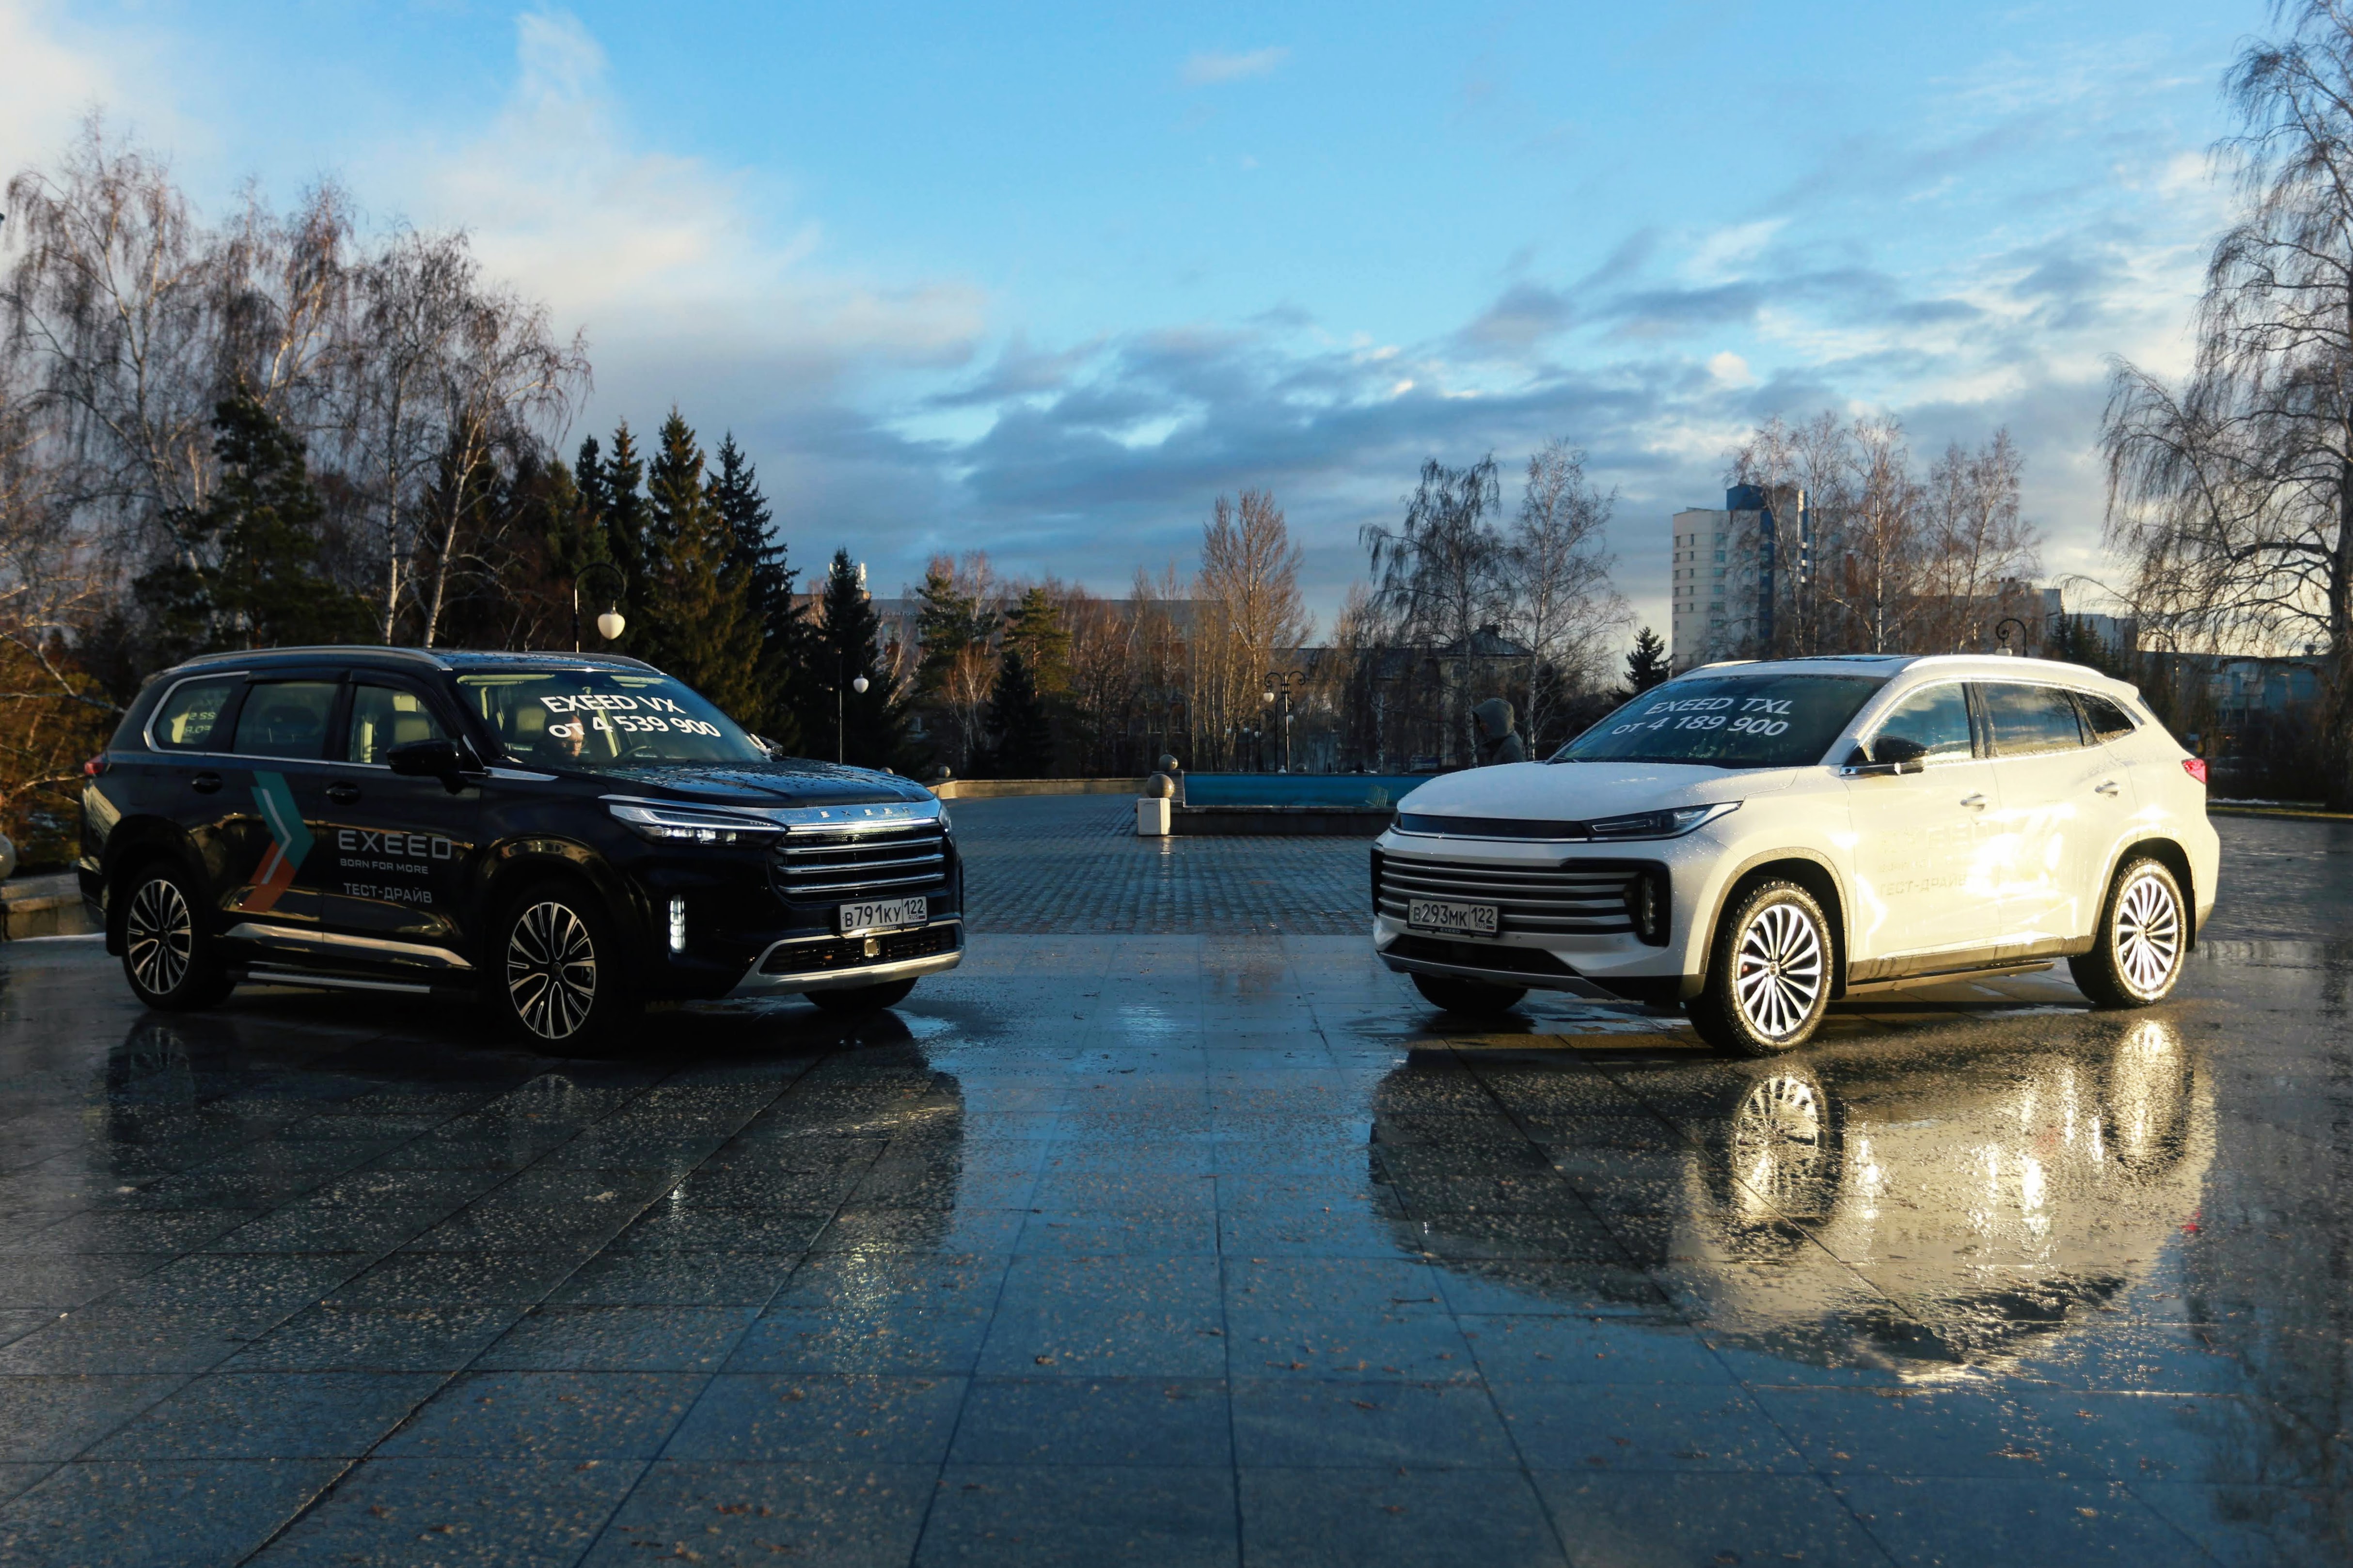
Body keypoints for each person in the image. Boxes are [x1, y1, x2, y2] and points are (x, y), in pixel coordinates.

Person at [1474, 698, 1526, 766]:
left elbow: (1519, 770)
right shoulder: (1497, 742)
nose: (1481, 725)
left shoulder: (1512, 745)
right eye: (1480, 721)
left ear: (1495, 722)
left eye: (1484, 722)